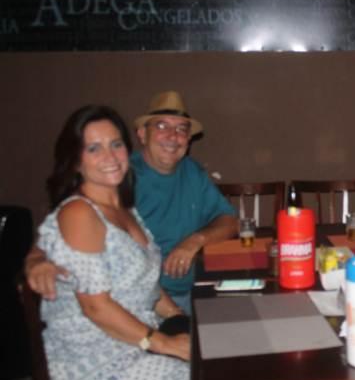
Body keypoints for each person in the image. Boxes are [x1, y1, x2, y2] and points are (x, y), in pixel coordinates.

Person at [26, 91, 237, 315]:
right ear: (142, 134)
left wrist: (194, 241)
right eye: (162, 126)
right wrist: (37, 259)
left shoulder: (192, 171)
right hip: (132, 303)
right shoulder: (119, 174)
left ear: (188, 139)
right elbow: (66, 222)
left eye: (181, 129)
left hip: (190, 292)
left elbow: (230, 221)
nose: (173, 136)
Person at [37, 105, 188, 380]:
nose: (110, 156)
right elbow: (95, 307)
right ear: (75, 161)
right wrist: (165, 343)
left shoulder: (125, 209)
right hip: (95, 361)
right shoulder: (79, 213)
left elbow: (143, 282)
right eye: (94, 148)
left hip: (136, 337)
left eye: (116, 144)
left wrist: (178, 317)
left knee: (223, 358)